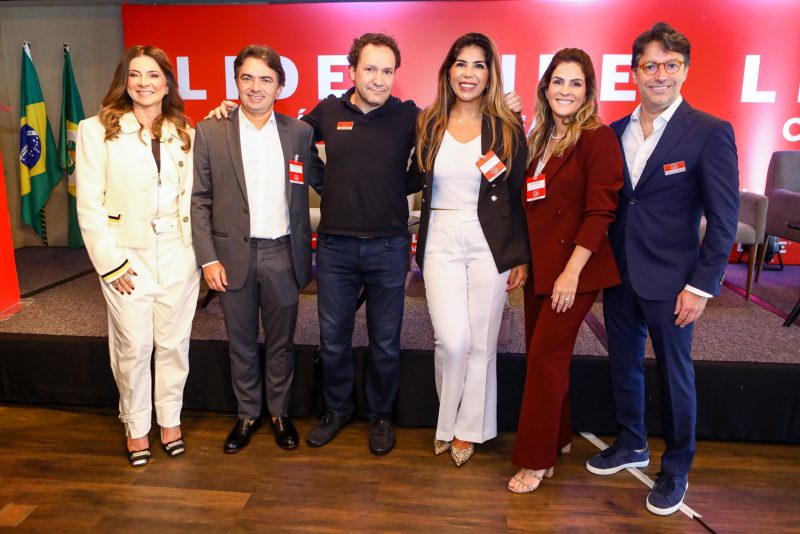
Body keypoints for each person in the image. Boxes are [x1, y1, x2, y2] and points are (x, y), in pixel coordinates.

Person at [208, 33, 522, 456]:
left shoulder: (411, 116)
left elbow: (435, 157)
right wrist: (323, 180)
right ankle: (336, 410)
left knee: (385, 342)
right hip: (335, 248)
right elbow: (286, 136)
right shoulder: (328, 111)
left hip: (389, 247)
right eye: (370, 69)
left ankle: (380, 415)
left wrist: (507, 108)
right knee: (333, 338)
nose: (378, 79)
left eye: (387, 71)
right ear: (352, 70)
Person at [585, 22, 739, 516]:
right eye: (650, 65)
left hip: (675, 283)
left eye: (670, 65)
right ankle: (632, 442)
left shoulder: (710, 132)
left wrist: (701, 286)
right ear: (634, 73)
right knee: (623, 364)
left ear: (685, 70)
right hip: (619, 275)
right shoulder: (613, 132)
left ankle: (676, 468)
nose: (660, 75)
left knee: (675, 376)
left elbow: (724, 218)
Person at [191, 45, 319, 453]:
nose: (256, 87)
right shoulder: (211, 131)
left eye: (266, 79)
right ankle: (247, 414)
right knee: (241, 343)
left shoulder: (300, 133)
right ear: (236, 83)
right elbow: (199, 200)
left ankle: (279, 413)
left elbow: (325, 180)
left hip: (283, 254)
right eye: (247, 78)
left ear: (280, 86)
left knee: (281, 344)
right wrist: (208, 258)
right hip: (231, 259)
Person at [76, 45, 199, 467]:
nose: (144, 83)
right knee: (133, 346)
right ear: (124, 81)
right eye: (135, 75)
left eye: (153, 75)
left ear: (167, 83)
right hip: (126, 256)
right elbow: (88, 205)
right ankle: (136, 425)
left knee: (174, 345)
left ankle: (170, 420)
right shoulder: (96, 129)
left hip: (179, 253)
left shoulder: (184, 130)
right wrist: (110, 264)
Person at [506, 48, 623, 492]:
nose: (566, 90)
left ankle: (535, 461)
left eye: (576, 83)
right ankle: (558, 438)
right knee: (545, 357)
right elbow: (529, 204)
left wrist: (571, 273)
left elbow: (600, 212)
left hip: (576, 270)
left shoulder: (598, 138)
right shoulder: (540, 136)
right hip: (541, 267)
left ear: (589, 92)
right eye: (559, 81)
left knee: (543, 360)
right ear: (546, 87)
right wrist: (523, 260)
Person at [413, 33, 529, 467]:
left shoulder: (507, 125)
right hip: (440, 236)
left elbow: (517, 194)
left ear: (490, 74)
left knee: (481, 341)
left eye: (479, 65)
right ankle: (446, 422)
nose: (468, 73)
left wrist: (520, 254)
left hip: (489, 241)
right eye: (461, 63)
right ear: (448, 72)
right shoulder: (428, 122)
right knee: (452, 340)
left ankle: (467, 429)